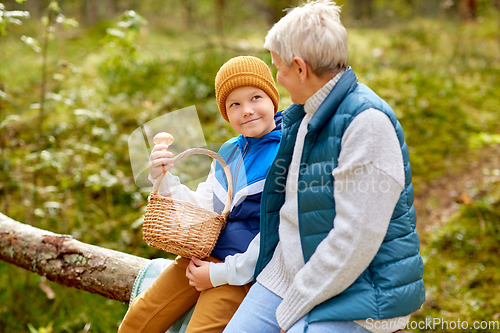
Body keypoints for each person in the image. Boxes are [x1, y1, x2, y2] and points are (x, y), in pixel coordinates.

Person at [223, 1, 425, 333]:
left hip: (358, 292)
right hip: (288, 274)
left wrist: (294, 307)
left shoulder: (367, 125)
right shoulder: (304, 115)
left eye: (278, 68)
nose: (277, 77)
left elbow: (354, 242)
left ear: (300, 68)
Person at [118, 56, 282, 333]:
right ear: (225, 113)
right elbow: (205, 207)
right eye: (235, 104)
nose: (247, 111)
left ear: (273, 99)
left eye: (256, 97)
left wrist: (218, 275)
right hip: (201, 254)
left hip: (240, 272)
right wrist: (164, 178)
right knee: (141, 317)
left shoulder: (286, 154)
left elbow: (275, 237)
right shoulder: (230, 150)